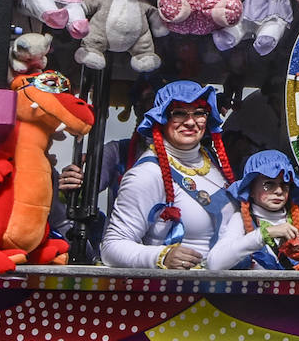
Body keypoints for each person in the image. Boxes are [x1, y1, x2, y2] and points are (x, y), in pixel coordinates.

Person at [101, 81, 237, 269]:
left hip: (231, 293)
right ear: (162, 119)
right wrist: (161, 257)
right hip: (180, 294)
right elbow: (112, 247)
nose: (190, 122)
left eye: (199, 113)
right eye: (179, 113)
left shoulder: (214, 163)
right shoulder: (147, 174)